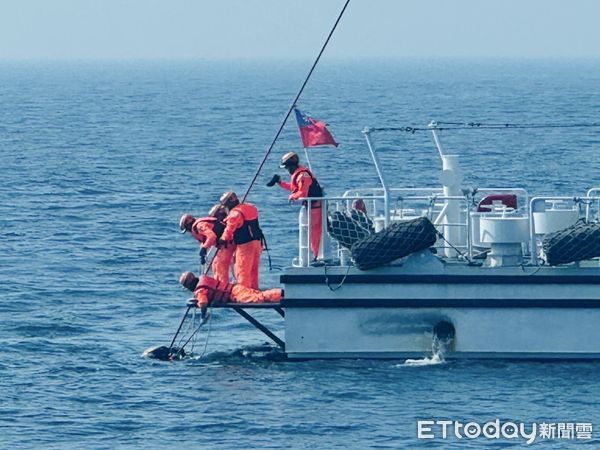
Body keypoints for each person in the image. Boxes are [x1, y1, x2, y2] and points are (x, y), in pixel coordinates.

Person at [267, 152, 323, 259]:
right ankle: (314, 255)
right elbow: (295, 189)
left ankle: (316, 256)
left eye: (287, 167)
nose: (287, 170)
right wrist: (280, 183)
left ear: (291, 165)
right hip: (311, 207)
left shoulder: (303, 175)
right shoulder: (298, 175)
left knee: (315, 232)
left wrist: (292, 197)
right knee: (312, 232)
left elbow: (302, 192)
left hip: (316, 207)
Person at [179, 204, 235, 283]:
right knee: (215, 264)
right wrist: (203, 252)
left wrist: (204, 248)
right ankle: (220, 284)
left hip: (228, 243)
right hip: (226, 243)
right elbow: (206, 240)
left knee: (220, 265)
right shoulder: (200, 225)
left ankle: (223, 286)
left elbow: (212, 236)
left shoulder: (199, 226)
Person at [219, 191, 263, 289]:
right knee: (253, 271)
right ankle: (254, 291)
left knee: (242, 270)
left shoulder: (235, 214)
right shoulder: (250, 207)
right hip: (257, 243)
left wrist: (222, 239)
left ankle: (243, 292)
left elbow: (229, 229)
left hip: (245, 245)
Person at [179, 271, 282, 308]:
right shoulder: (203, 279)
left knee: (258, 298)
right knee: (259, 295)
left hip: (235, 294)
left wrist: (203, 316)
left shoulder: (200, 290)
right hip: (235, 289)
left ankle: (282, 294)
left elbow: (203, 303)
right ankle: (281, 294)